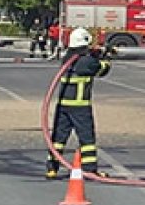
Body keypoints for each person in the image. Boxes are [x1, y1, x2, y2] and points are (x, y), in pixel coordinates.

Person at [46, 28, 113, 179]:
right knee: (86, 139)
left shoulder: (67, 59)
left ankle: (51, 168)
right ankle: (90, 169)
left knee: (58, 138)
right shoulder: (86, 61)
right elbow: (102, 70)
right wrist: (107, 57)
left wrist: (95, 54)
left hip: (63, 106)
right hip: (80, 106)